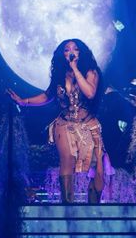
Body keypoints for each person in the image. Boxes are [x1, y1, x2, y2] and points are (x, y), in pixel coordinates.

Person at [7, 39, 105, 204]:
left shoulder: (90, 72)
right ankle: (68, 206)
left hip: (88, 124)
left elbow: (89, 93)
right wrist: (24, 101)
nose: (71, 52)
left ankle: (93, 209)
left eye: (75, 49)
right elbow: (47, 95)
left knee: (97, 165)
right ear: (63, 54)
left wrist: (75, 69)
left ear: (81, 53)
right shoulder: (60, 75)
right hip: (65, 123)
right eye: (66, 50)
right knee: (67, 159)